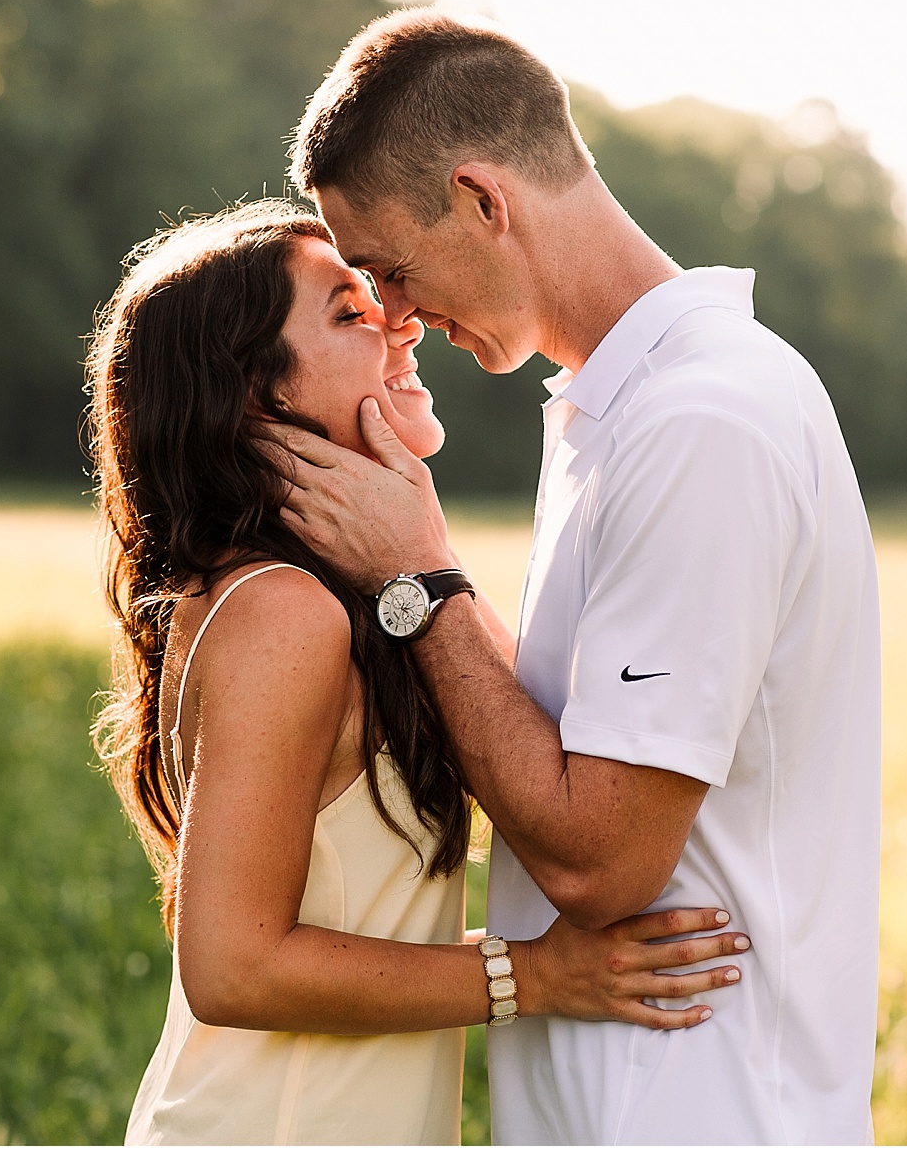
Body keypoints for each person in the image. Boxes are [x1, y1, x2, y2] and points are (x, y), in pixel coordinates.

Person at [269, 11, 882, 1144]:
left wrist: (416, 579)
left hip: (697, 1107)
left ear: (483, 200)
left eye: (391, 269)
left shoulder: (704, 421)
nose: (394, 317)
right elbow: (564, 730)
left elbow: (602, 861)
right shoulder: (623, 405)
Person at [84, 201, 750, 1145]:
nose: (401, 321)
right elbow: (232, 966)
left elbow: (539, 746)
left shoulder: (350, 590)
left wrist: (419, 556)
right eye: (350, 313)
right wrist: (540, 975)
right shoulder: (282, 611)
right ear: (250, 394)